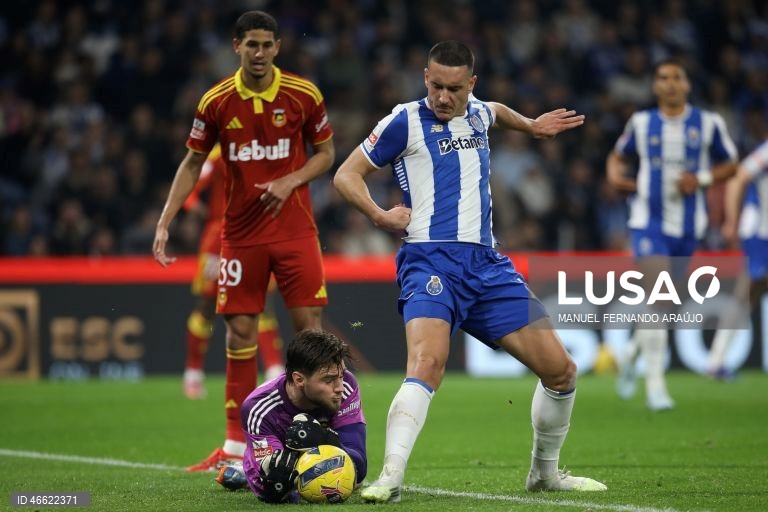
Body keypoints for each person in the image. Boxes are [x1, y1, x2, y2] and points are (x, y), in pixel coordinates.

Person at [333, 40, 606, 503]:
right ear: (426, 78)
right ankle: (390, 476)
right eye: (436, 85)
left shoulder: (478, 112)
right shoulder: (403, 120)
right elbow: (346, 175)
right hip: (430, 261)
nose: (443, 97)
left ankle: (544, 475)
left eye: (454, 89)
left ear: (470, 85)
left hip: (488, 266)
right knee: (427, 364)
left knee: (561, 371)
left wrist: (532, 126)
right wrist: (380, 215)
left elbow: (496, 111)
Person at [153, 10, 334, 472]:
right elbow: (192, 163)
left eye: (267, 45)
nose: (259, 53)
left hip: (295, 231)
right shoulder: (215, 101)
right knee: (239, 333)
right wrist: (166, 220)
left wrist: (290, 180)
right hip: (240, 236)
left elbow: (327, 154)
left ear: (278, 47)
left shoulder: (303, 94)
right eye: (251, 44)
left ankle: (316, 435)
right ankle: (236, 447)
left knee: (310, 334)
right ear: (237, 46)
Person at [606, 58, 738, 410]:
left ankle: (632, 353)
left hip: (689, 228)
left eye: (676, 77)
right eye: (663, 78)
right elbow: (617, 156)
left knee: (663, 304)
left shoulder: (708, 124)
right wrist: (615, 176)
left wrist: (702, 179)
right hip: (648, 223)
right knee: (659, 295)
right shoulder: (641, 122)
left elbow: (731, 164)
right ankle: (656, 388)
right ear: (655, 86)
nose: (670, 83)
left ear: (687, 85)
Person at [181, 145, 285, 401]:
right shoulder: (218, 155)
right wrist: (196, 207)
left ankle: (274, 371)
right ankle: (193, 373)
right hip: (220, 237)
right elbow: (191, 186)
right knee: (207, 304)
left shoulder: (266, 150)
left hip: (256, 234)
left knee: (263, 302)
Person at [216, 329, 367, 504]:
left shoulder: (346, 385)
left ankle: (242, 474)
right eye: (328, 380)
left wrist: (324, 439)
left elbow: (359, 467)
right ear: (299, 380)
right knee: (274, 476)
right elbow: (271, 486)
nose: (339, 387)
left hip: (324, 458)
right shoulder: (259, 408)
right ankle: (247, 473)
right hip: (277, 454)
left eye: (341, 376)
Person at [708, 138, 768, 377]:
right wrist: (732, 220)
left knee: (751, 292)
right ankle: (716, 360)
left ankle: (717, 359)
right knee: (746, 290)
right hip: (759, 232)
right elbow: (739, 176)